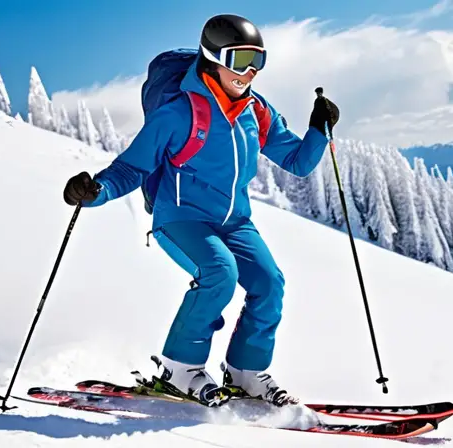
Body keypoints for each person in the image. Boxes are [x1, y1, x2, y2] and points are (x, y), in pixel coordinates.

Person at [61, 14, 339, 407]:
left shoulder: (255, 111)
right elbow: (131, 167)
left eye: (257, 61)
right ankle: (180, 368)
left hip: (234, 221)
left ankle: (246, 371)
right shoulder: (178, 112)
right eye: (240, 60)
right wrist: (96, 190)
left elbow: (296, 160)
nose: (249, 72)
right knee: (218, 272)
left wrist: (318, 130)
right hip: (181, 218)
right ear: (213, 56)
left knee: (269, 282)